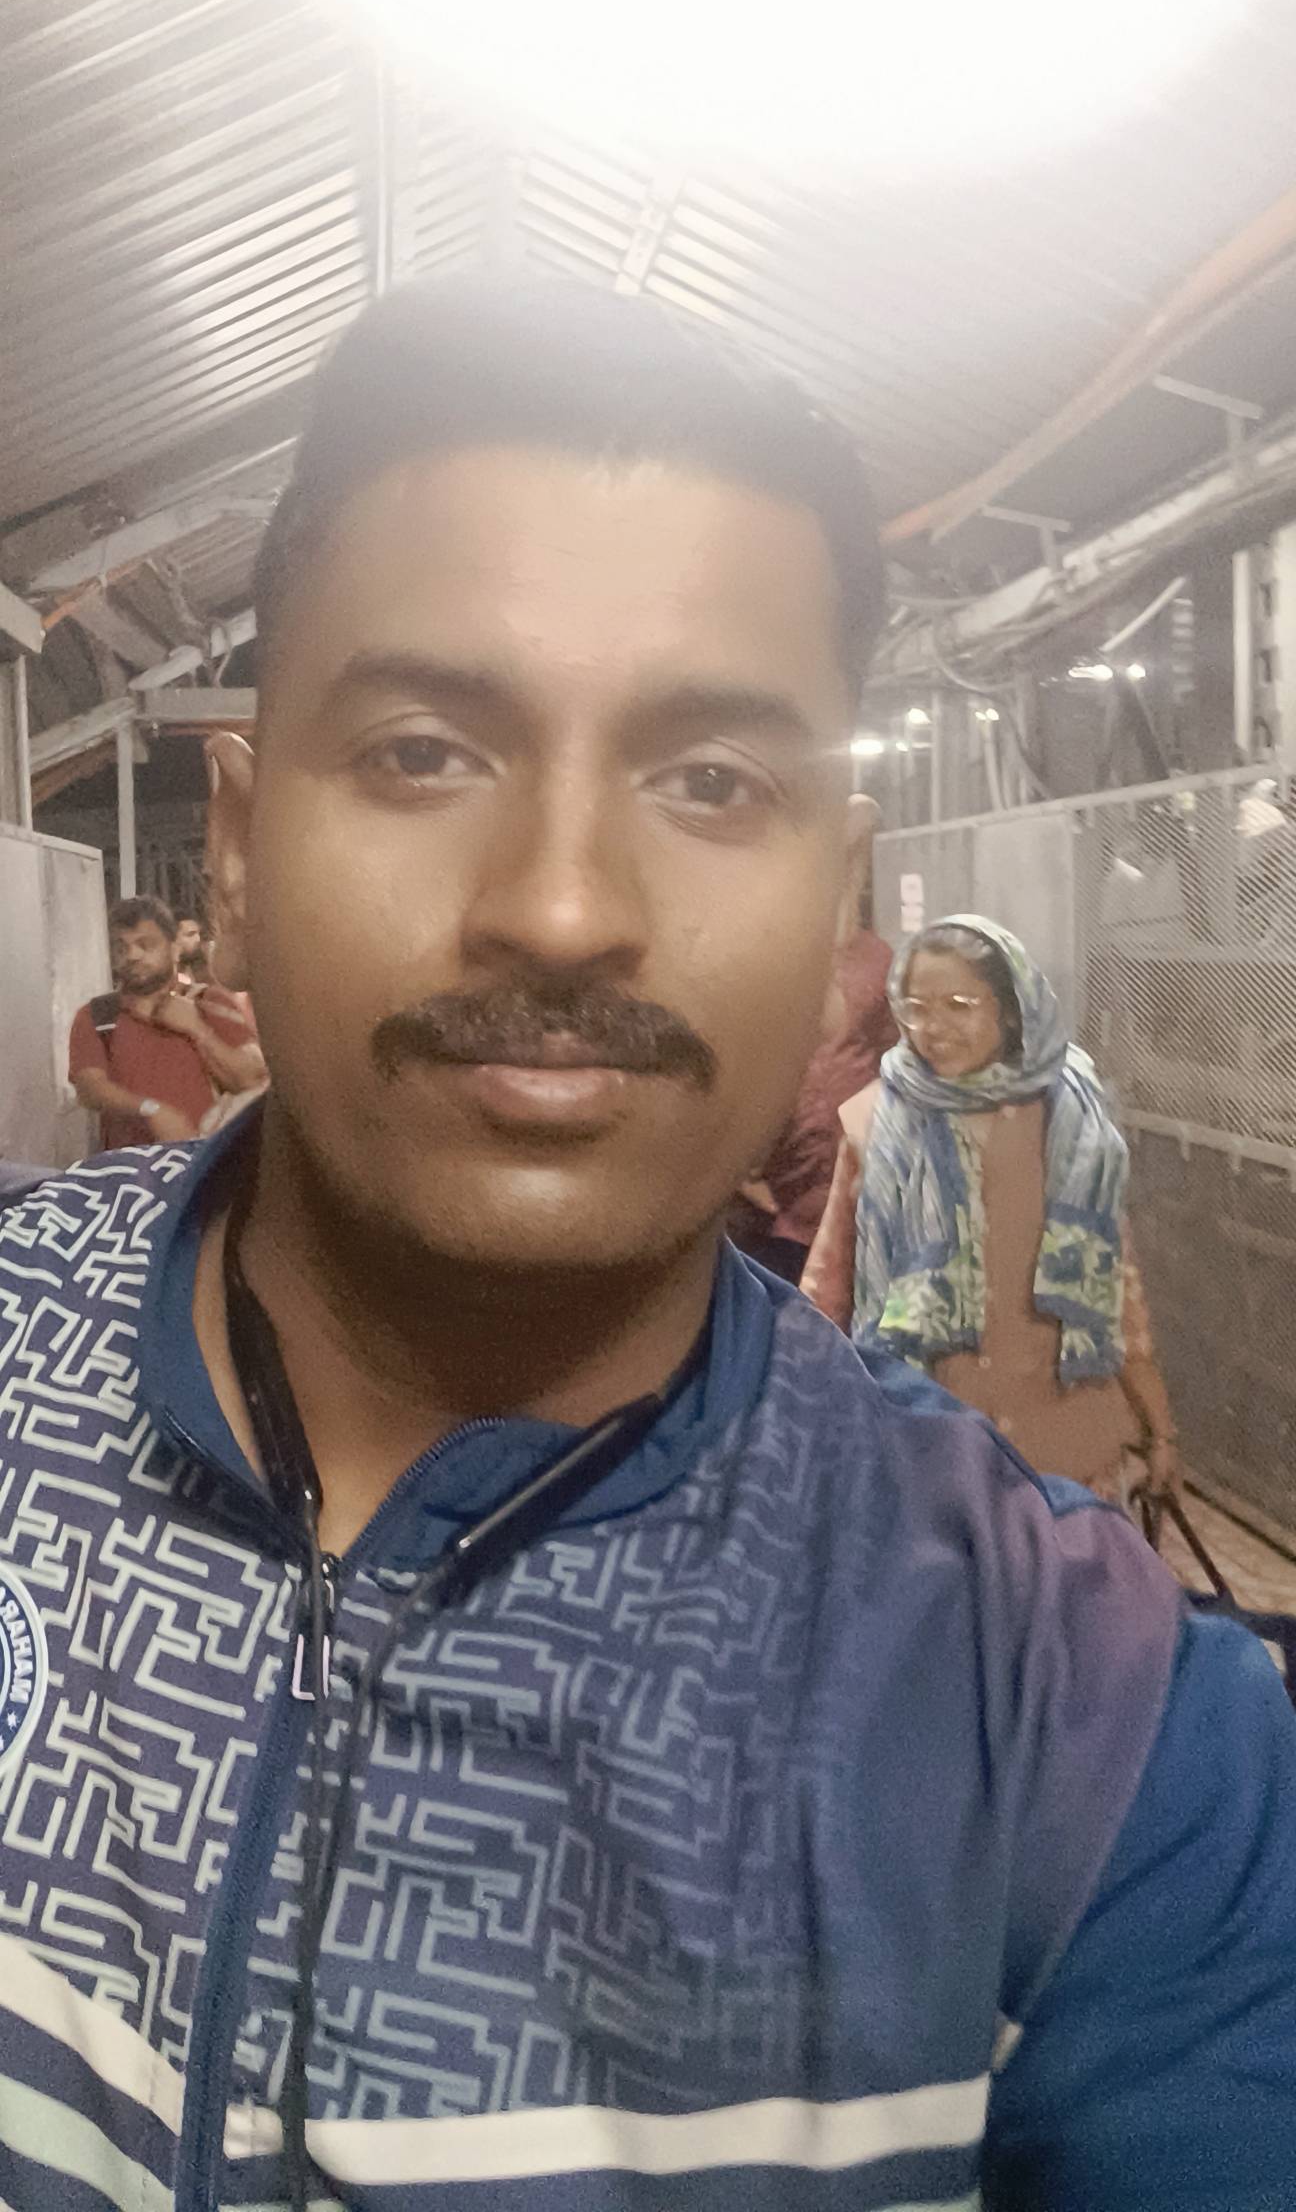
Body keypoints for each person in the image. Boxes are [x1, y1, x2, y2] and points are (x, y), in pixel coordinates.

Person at [0, 281, 1291, 2212]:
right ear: (242, 848)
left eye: (710, 782)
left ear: (837, 903)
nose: (561, 905)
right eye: (424, 749)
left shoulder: (1076, 1720)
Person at [803, 914, 1178, 1504]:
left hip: (1068, 1454)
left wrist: (1160, 1430)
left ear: (1008, 1010)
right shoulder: (874, 1123)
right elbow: (828, 1288)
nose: (934, 1028)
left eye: (958, 1005)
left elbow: (1117, 1287)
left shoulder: (1069, 1123)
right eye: (916, 1008)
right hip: (930, 1455)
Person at [731, 811, 895, 1281]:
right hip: (786, 1197)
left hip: (860, 1180)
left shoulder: (870, 961)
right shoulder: (763, 961)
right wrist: (741, 1179)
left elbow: (893, 1054)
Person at [68, 892, 266, 1146]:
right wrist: (150, 1110)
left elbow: (250, 1079)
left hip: (207, 1160)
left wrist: (197, 1028)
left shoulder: (209, 1003)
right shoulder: (98, 1015)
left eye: (146, 944)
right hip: (133, 1166)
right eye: (121, 947)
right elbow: (89, 1089)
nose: (133, 955)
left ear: (174, 949)